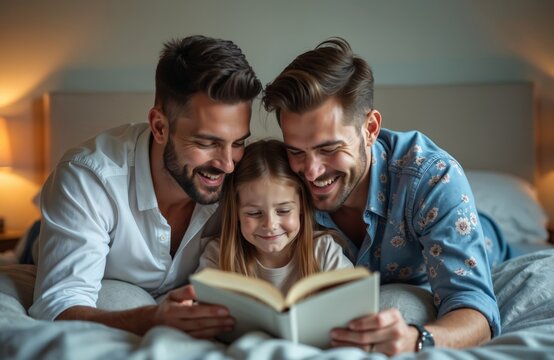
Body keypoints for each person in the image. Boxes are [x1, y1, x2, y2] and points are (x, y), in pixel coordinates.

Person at [262, 37, 510, 355]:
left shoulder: (433, 176)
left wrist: (416, 339)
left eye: (329, 149)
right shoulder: (282, 179)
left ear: (371, 128)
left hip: (491, 246)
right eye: (297, 151)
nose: (310, 171)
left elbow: (478, 313)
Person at [29, 35, 262, 338]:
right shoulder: (87, 177)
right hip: (58, 238)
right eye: (207, 143)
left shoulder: (242, 178)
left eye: (238, 142)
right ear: (159, 127)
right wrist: (150, 320)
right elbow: (57, 307)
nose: (227, 164)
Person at [197, 139, 353, 293]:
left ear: (301, 207)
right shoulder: (218, 255)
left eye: (283, 211)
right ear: (236, 211)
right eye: (254, 213)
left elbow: (354, 305)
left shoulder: (323, 251)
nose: (270, 224)